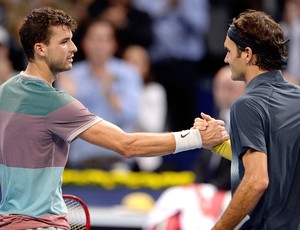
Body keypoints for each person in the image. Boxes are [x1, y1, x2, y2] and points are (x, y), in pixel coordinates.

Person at [0, 7, 228, 229]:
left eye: (71, 39)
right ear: (40, 48)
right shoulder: (54, 102)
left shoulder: (6, 91)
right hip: (42, 224)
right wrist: (197, 138)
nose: (74, 47)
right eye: (63, 42)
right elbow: (127, 145)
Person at [207, 9, 300, 229]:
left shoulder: (246, 104)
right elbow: (280, 159)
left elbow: (257, 180)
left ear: (247, 54)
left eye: (229, 51)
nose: (226, 58)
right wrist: (221, 146)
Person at [57, 18, 143, 170]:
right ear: (84, 43)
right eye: (94, 39)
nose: (99, 45)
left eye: (104, 40)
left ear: (113, 44)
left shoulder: (128, 73)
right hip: (80, 163)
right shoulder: (70, 74)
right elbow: (61, 122)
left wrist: (110, 93)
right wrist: (66, 97)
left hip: (118, 161)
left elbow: (131, 116)